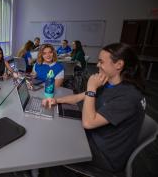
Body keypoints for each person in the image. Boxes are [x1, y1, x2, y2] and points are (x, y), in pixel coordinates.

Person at [42, 43, 146, 173]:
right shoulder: (109, 83)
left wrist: (91, 87)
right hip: (95, 137)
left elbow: (88, 123)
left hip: (104, 155)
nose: (97, 65)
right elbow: (79, 97)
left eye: (101, 62)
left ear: (119, 65)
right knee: (54, 132)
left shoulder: (129, 96)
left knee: (50, 145)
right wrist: (56, 100)